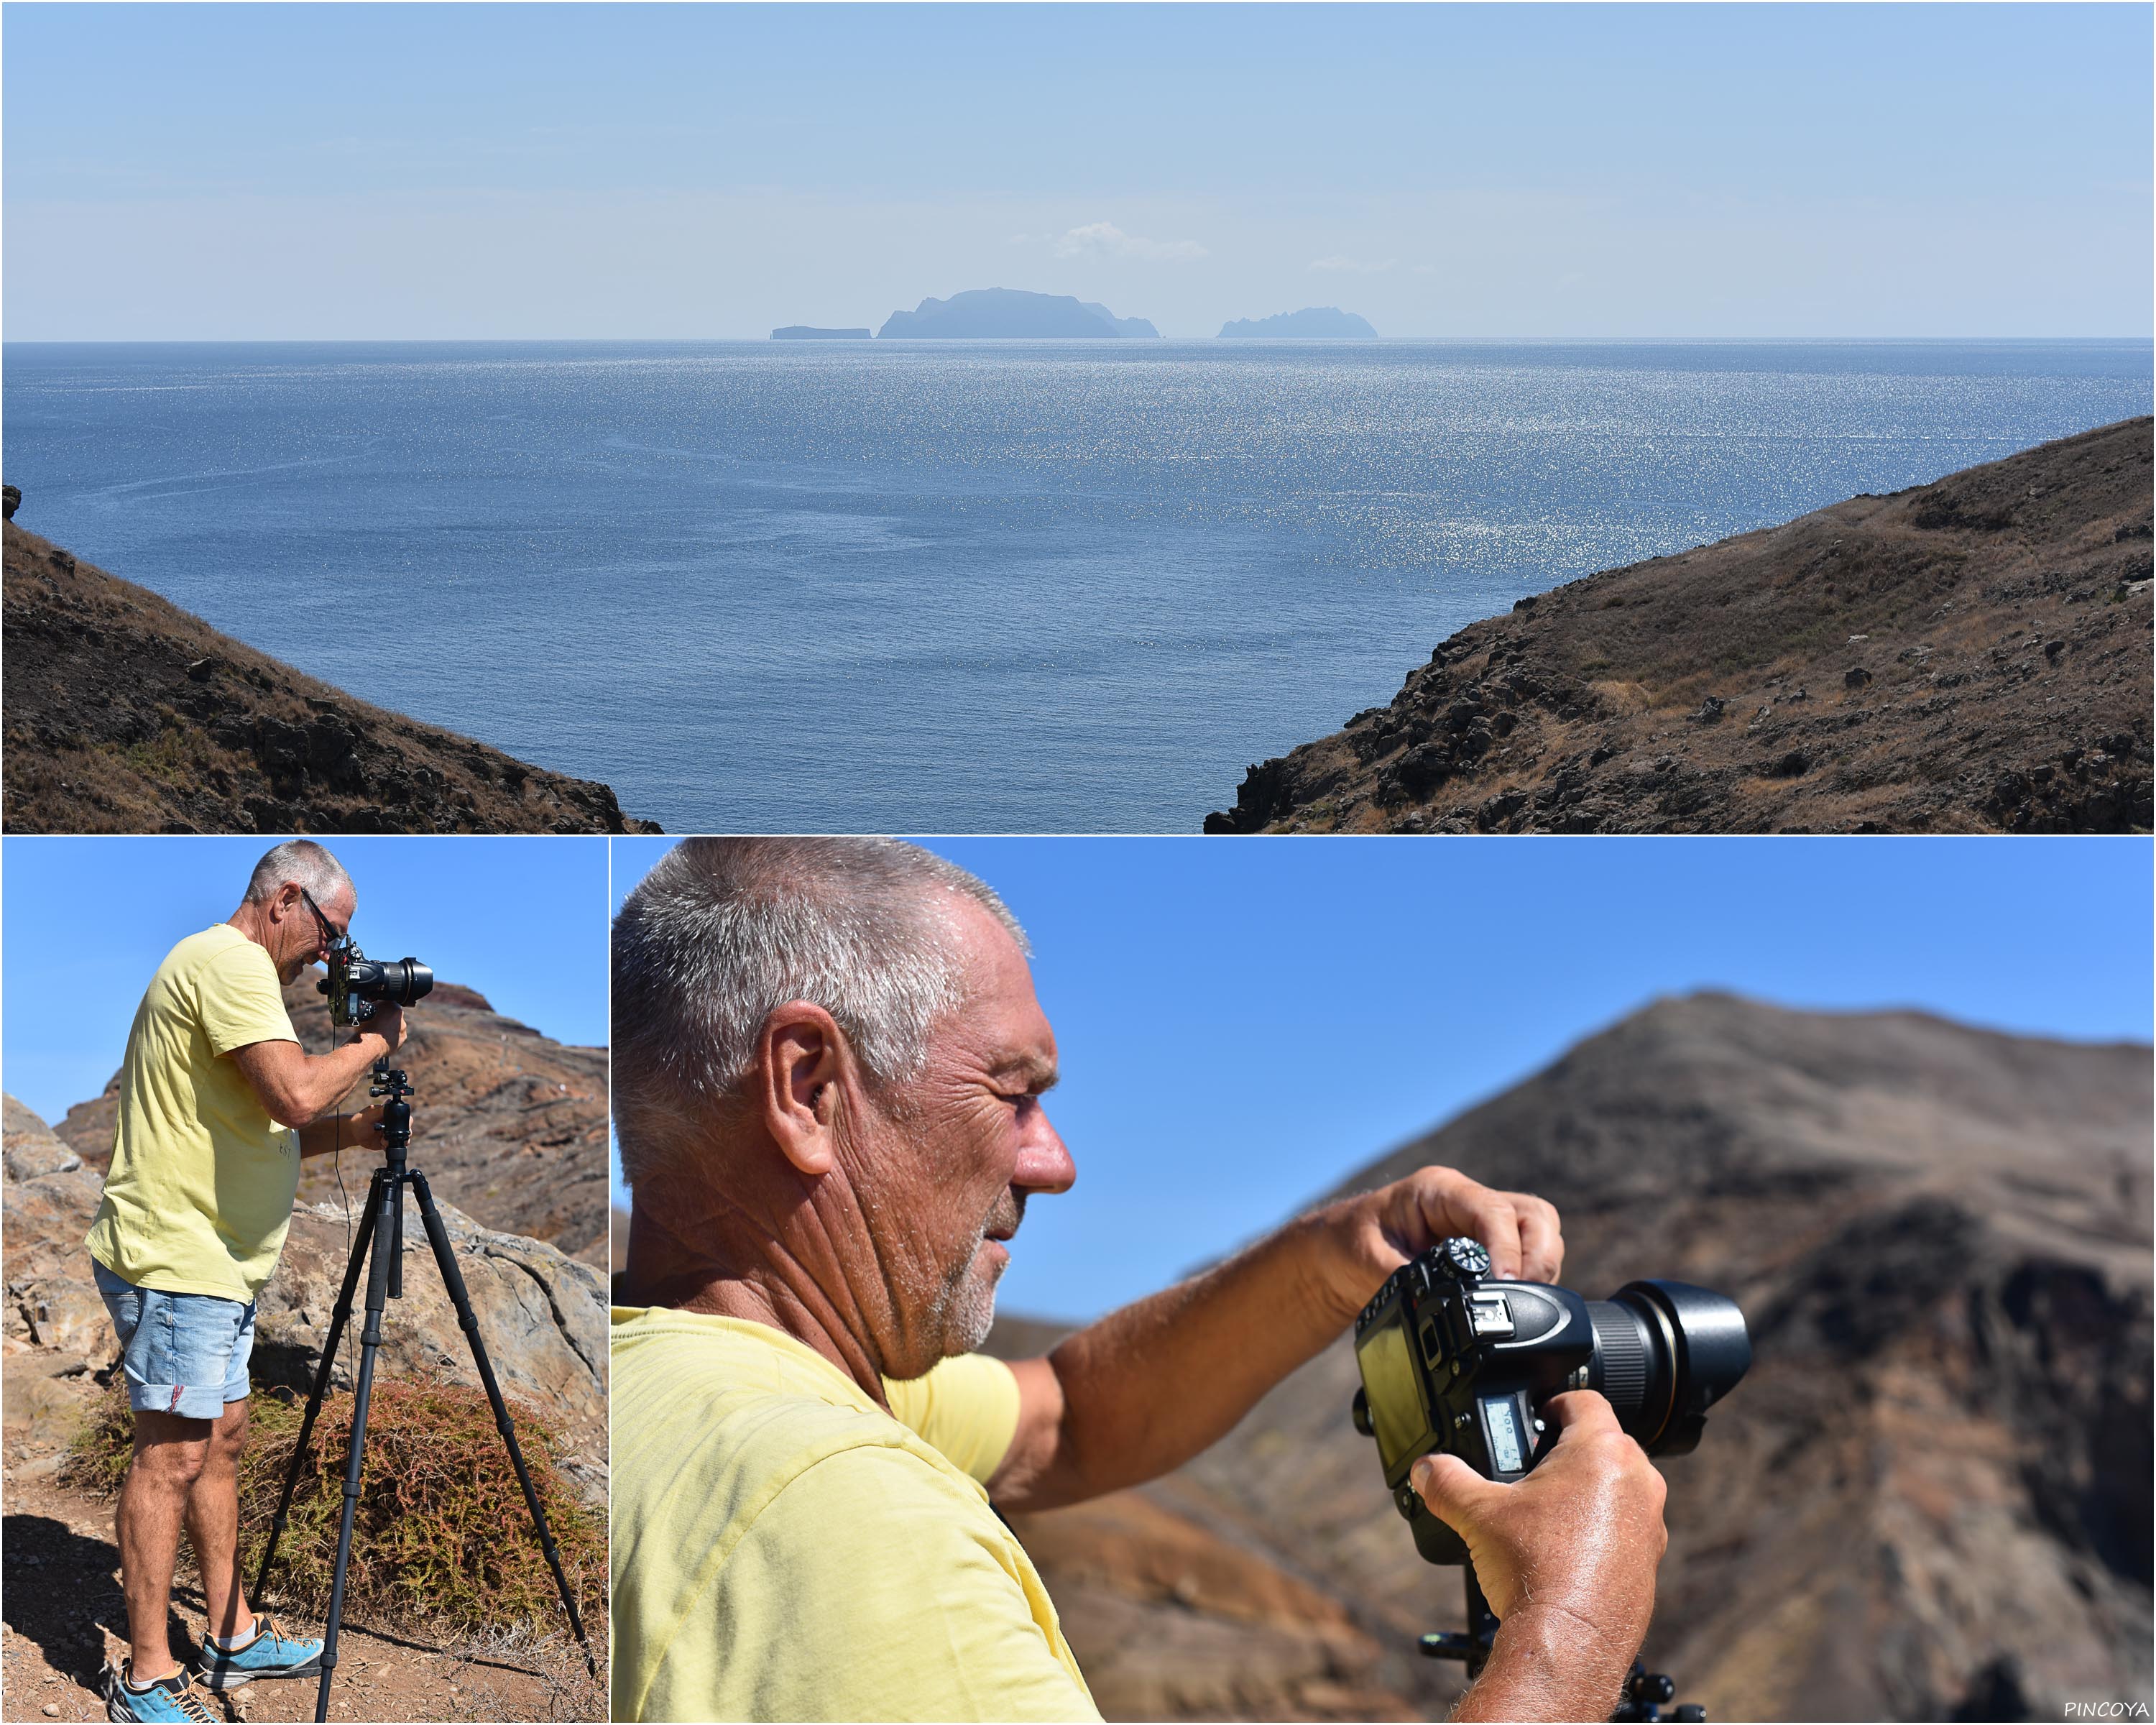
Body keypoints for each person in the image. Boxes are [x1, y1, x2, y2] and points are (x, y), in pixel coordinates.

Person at [609, 837, 1670, 1724]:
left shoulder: (658, 1373)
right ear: (808, 1087)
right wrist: (1567, 1637)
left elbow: (1066, 1420)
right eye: (1012, 1093)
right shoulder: (840, 1513)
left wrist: (1343, 1254)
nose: (1054, 1161)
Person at [86, 840, 412, 1724]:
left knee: (220, 1441)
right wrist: (378, 1038)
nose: (333, 954)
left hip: (216, 1262)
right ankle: (147, 1675)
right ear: (288, 899)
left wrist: (357, 1136)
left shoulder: (237, 975)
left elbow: (259, 1129)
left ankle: (230, 1631)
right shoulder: (227, 962)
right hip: (178, 1259)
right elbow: (295, 1095)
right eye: (333, 931)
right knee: (174, 1455)